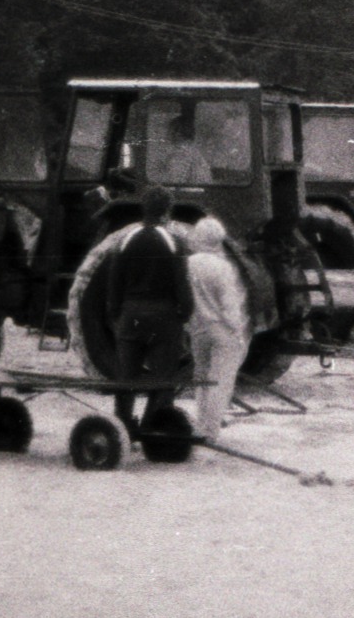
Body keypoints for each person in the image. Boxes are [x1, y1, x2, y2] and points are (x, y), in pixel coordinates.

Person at [105, 186, 194, 435]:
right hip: (164, 318)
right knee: (163, 380)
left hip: (130, 316)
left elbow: (113, 286)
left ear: (144, 209)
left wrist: (117, 317)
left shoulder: (125, 241)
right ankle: (155, 429)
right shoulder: (173, 242)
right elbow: (182, 288)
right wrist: (183, 316)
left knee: (126, 379)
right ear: (167, 211)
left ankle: (122, 429)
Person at [186, 217, 255, 438]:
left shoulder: (188, 263)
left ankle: (201, 422)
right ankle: (211, 429)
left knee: (202, 377)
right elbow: (230, 306)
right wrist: (239, 333)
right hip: (222, 329)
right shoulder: (223, 267)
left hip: (197, 327)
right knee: (220, 380)